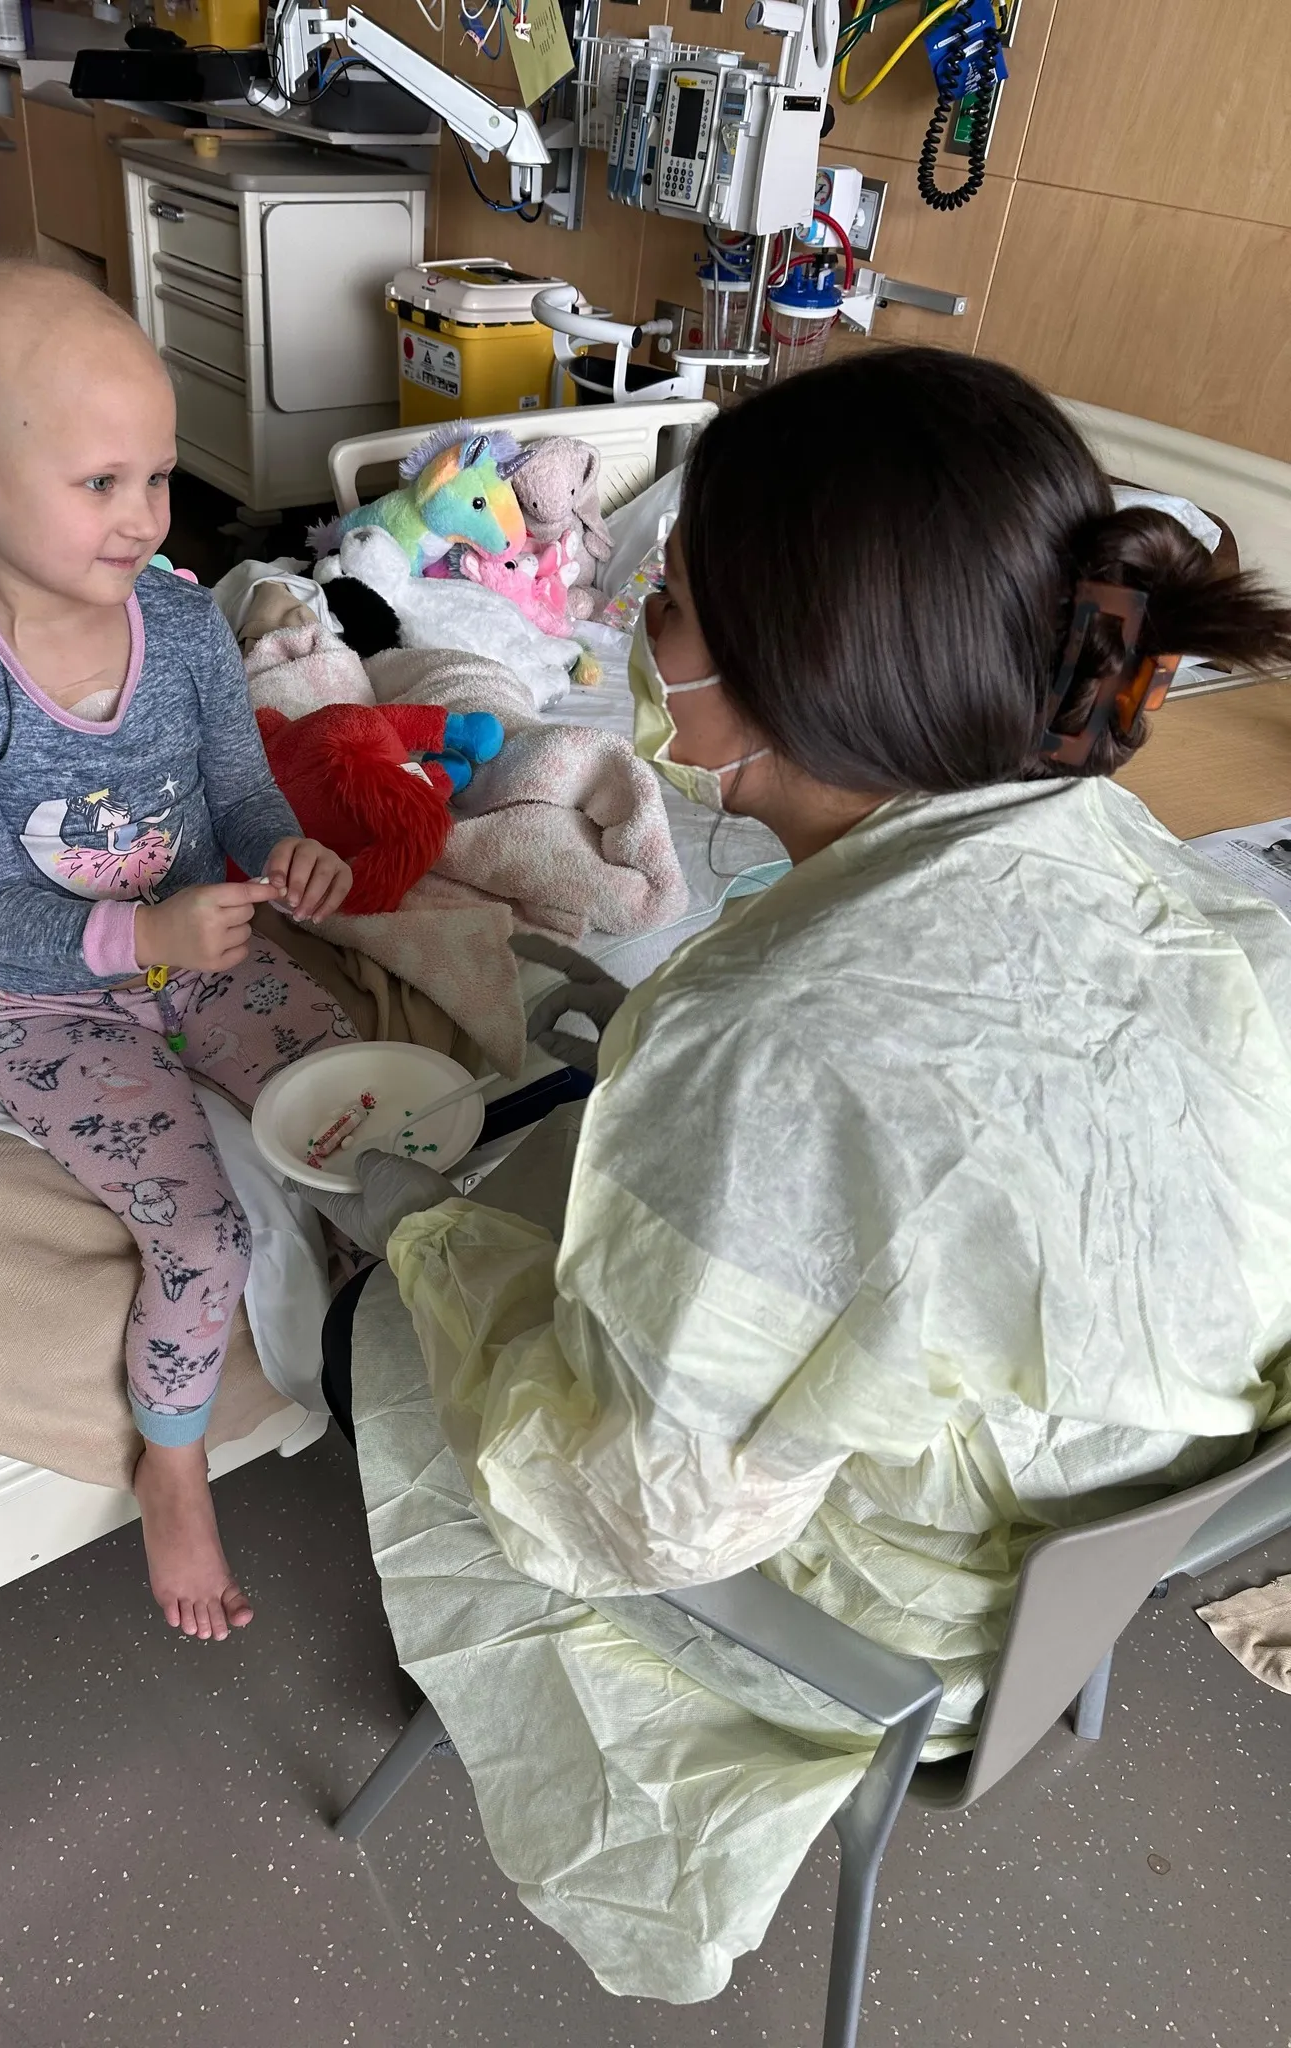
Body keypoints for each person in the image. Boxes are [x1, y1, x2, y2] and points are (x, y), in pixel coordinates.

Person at [307, 348, 1291, 1998]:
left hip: (880, 1630)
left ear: (793, 678)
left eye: (669, 603)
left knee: (381, 1324)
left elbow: (642, 1512)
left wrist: (422, 1244)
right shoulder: (1158, 872)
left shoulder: (761, 1048)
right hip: (1100, 1543)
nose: (641, 633)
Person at [0, 261, 354, 1644]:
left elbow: (236, 790)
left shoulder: (186, 625)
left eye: (156, 476)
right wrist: (141, 933)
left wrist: (283, 851)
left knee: (371, 1114)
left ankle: (389, 1340)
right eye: (101, 484)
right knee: (198, 1237)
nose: (145, 517)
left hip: (207, 950)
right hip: (56, 1010)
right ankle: (173, 1466)